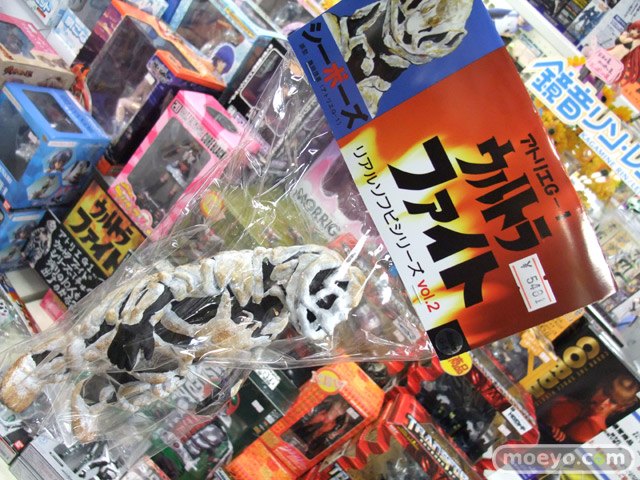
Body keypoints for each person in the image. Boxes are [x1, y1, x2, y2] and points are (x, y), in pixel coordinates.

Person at [542, 373, 640, 443]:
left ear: (620, 408)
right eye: (605, 392)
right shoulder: (562, 401)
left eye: (613, 402)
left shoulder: (600, 438)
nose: (603, 402)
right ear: (600, 386)